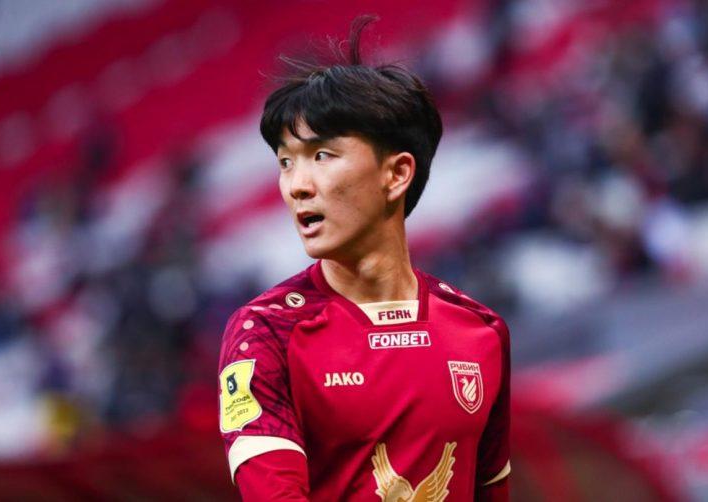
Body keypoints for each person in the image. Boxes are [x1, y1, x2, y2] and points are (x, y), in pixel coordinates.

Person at [218, 16, 511, 501]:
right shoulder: (265, 333)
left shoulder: (482, 330)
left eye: (322, 155)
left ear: (396, 175)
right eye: (285, 162)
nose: (296, 185)